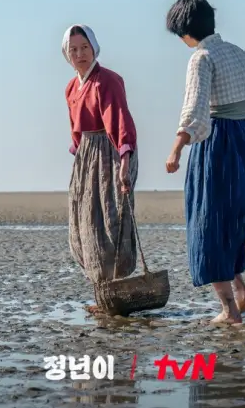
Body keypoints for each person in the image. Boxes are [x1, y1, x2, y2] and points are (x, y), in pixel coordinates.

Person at [164, 0, 245, 325]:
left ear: (186, 32)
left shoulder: (202, 58)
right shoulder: (240, 54)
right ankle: (239, 292)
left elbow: (196, 110)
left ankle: (229, 311)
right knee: (232, 223)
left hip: (217, 143)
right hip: (243, 141)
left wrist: (176, 148)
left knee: (208, 224)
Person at [62, 24, 139, 310]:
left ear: (94, 47)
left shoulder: (107, 80)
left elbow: (118, 118)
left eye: (84, 47)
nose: (79, 54)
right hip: (87, 157)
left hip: (112, 153)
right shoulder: (71, 87)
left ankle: (116, 290)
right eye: (73, 50)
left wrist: (124, 161)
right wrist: (79, 155)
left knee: (111, 219)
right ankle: (101, 291)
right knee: (85, 222)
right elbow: (75, 130)